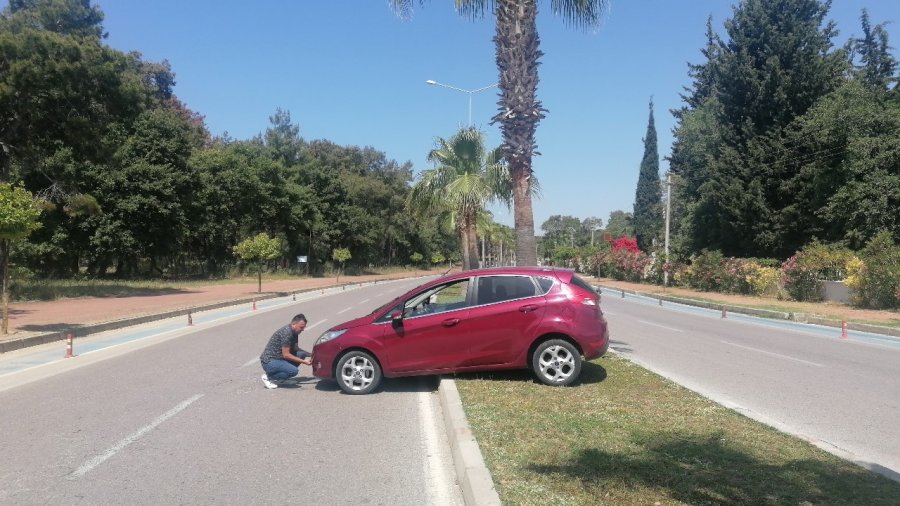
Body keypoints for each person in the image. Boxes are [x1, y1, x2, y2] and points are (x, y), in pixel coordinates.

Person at [260, 313, 312, 389]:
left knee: (301, 354)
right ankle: (269, 377)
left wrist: (311, 354)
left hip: (279, 358)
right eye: (301, 327)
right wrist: (304, 362)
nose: (303, 329)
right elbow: (286, 355)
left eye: (304, 327)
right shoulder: (287, 333)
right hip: (269, 361)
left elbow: (295, 349)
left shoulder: (295, 332)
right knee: (293, 371)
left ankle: (281, 378)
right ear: (294, 324)